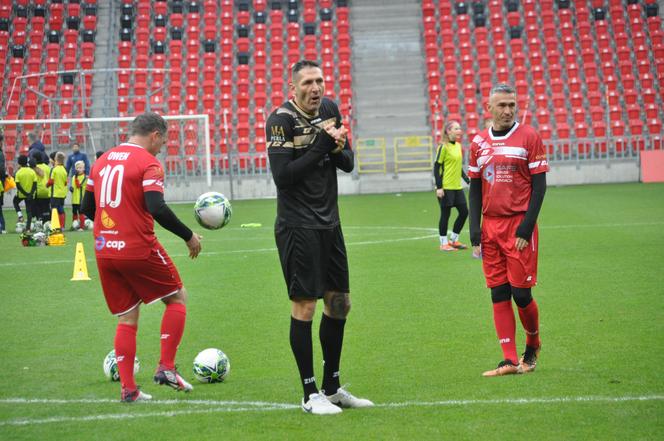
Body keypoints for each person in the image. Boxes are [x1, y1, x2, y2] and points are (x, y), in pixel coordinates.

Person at [266, 60, 373, 415]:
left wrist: (337, 146)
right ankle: (309, 394)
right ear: (293, 88)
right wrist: (321, 145)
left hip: (330, 222)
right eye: (308, 83)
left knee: (340, 302)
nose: (316, 88)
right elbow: (284, 176)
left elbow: (347, 163)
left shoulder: (329, 110)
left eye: (320, 81)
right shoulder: (280, 120)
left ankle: (332, 387)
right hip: (298, 225)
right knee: (306, 306)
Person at [80, 112, 202, 403]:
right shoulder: (149, 163)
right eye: (164, 141)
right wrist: (189, 236)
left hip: (105, 250)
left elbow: (86, 206)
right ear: (155, 135)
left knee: (127, 317)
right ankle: (167, 368)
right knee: (176, 298)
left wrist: (114, 225)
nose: (162, 147)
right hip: (137, 247)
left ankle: (129, 389)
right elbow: (156, 207)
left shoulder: (102, 160)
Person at [468, 84, 548, 377]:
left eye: (512, 105)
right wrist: (474, 231)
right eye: (501, 105)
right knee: (498, 292)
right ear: (488, 108)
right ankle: (509, 359)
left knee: (521, 294)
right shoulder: (477, 142)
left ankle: (533, 342)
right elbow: (475, 187)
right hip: (490, 228)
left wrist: (526, 229)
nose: (507, 110)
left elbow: (539, 187)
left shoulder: (529, 137)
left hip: (518, 227)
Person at [433, 120, 470, 252]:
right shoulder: (443, 147)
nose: (459, 130)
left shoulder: (458, 146)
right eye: (456, 128)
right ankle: (443, 243)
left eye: (459, 128)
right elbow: (437, 167)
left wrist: (467, 180)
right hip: (446, 187)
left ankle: (453, 240)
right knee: (445, 214)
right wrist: (439, 187)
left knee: (464, 212)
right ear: (448, 131)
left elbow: (458, 167)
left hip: (457, 187)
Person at [14, 155, 37, 232]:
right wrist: (30, 194)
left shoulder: (18, 172)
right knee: (29, 211)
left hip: (21, 194)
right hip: (30, 195)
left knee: (15, 201)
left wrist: (25, 193)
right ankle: (28, 228)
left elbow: (18, 185)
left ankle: (20, 216)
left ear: (19, 163)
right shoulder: (32, 171)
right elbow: (35, 184)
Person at [47, 152, 68, 229]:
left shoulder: (54, 169)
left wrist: (47, 185)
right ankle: (62, 226)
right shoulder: (64, 169)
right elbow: (66, 182)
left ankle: (55, 225)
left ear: (56, 159)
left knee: (54, 209)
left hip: (55, 193)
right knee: (61, 209)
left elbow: (51, 181)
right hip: (62, 193)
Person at [70, 160, 87, 230]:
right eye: (77, 168)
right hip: (74, 199)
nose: (79, 169)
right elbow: (73, 186)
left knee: (81, 213)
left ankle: (82, 227)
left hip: (81, 199)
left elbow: (78, 186)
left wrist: (76, 178)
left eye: (80, 168)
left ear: (84, 169)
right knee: (74, 212)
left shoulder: (85, 177)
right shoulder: (74, 177)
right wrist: (71, 188)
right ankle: (75, 226)